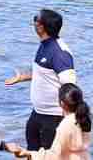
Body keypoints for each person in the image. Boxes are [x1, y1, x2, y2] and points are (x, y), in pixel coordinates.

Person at [5, 9, 77, 152]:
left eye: (35, 18)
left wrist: (68, 118)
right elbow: (46, 72)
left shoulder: (60, 53)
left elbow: (70, 85)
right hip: (38, 112)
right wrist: (22, 77)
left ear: (41, 26)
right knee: (31, 153)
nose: (33, 22)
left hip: (54, 117)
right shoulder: (45, 44)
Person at [15, 84, 92, 159]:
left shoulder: (65, 125)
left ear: (61, 103)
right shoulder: (84, 118)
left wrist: (30, 154)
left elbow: (54, 156)